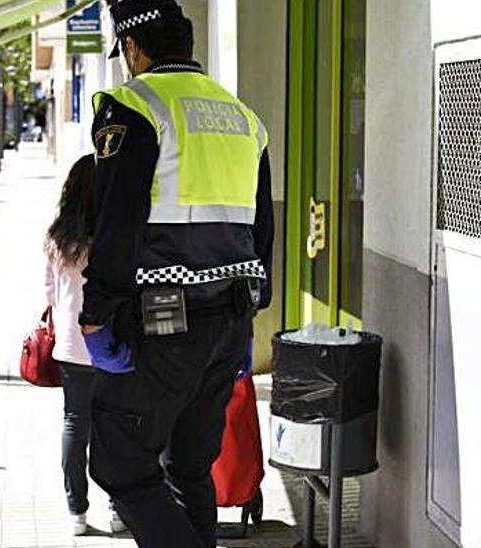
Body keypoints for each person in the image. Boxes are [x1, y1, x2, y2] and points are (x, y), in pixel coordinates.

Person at [79, 1, 275, 546]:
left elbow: (115, 221)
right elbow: (263, 232)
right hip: (229, 320)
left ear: (133, 48)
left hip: (162, 323)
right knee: (188, 467)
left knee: (121, 465)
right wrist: (251, 313)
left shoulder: (135, 105)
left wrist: (96, 314)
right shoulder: (241, 116)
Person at [43, 157, 127, 536]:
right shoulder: (116, 235)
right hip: (111, 343)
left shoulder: (58, 237)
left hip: (70, 344)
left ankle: (76, 512)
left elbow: (48, 291)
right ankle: (117, 508)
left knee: (75, 425)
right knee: (116, 429)